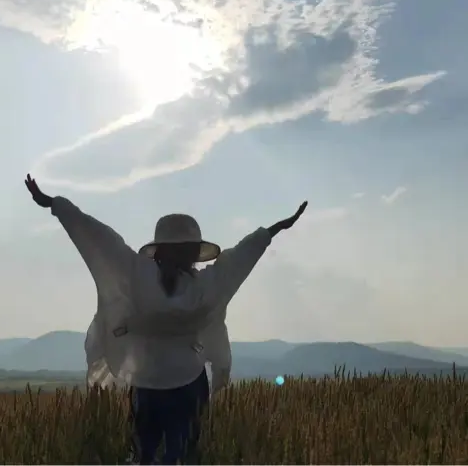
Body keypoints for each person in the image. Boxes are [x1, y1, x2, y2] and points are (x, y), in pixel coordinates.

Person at [24, 173, 308, 465]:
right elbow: (240, 258)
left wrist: (55, 204)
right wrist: (274, 229)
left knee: (145, 454)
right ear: (194, 252)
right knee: (183, 453)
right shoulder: (206, 286)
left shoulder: (137, 274)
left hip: (146, 381)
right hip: (189, 380)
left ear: (158, 250)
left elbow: (98, 238)